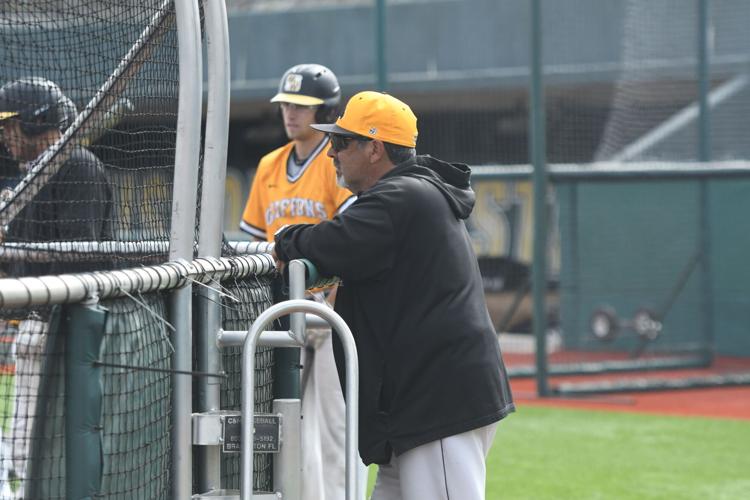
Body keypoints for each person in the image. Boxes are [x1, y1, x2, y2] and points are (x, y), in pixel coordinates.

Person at [273, 91, 516, 500]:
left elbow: (326, 242)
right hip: (419, 403)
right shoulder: (404, 194)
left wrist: (285, 240)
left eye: (341, 142)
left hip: (439, 404)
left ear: (375, 149)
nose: (331, 153)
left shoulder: (402, 197)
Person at [239, 64, 362, 500]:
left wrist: (329, 305)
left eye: (302, 106)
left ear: (326, 111)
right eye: (287, 104)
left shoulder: (337, 162)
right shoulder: (269, 164)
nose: (291, 113)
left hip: (329, 314)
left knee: (335, 426)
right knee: (283, 424)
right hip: (277, 311)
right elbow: (253, 242)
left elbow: (349, 236)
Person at [0, 77, 112, 498]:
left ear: (34, 120)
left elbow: (77, 255)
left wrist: (17, 246)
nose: (4, 135)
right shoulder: (31, 177)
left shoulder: (77, 166)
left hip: (66, 332)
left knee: (45, 458)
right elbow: (22, 264)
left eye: (9, 125)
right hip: (35, 328)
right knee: (26, 455)